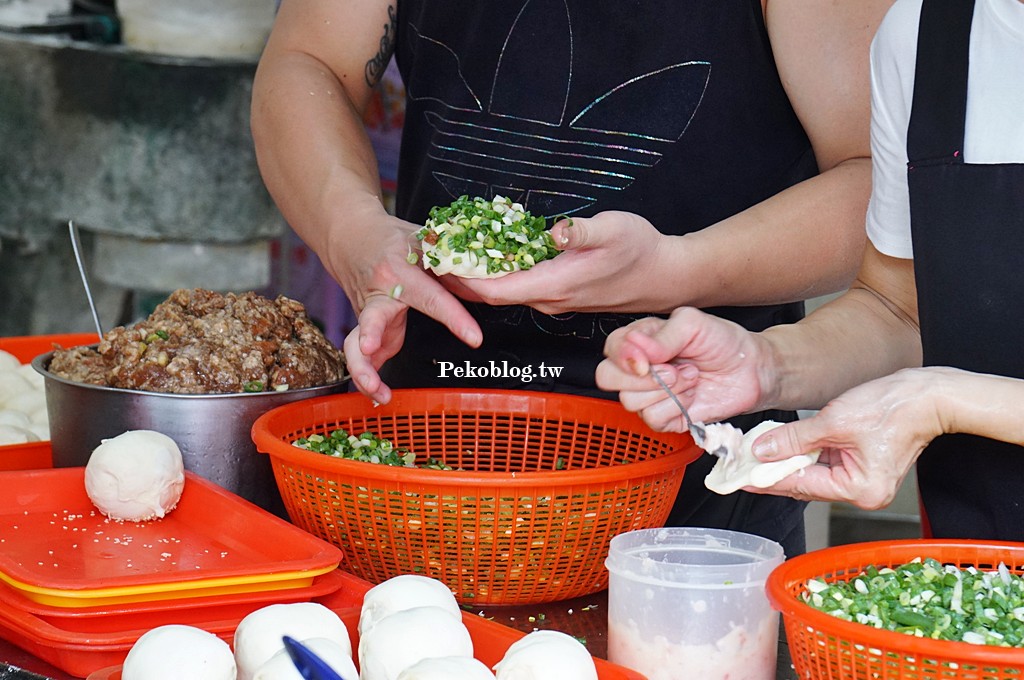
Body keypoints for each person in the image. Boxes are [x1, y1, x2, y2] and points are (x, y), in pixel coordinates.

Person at [250, 0, 893, 556]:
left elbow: (881, 182)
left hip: (698, 455)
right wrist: (355, 233)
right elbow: (309, 61)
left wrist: (676, 268)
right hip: (426, 437)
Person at [596, 0, 1024, 540]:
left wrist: (946, 402)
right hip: (978, 572)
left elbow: (935, 384)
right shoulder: (927, 30)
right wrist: (769, 363)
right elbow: (901, 311)